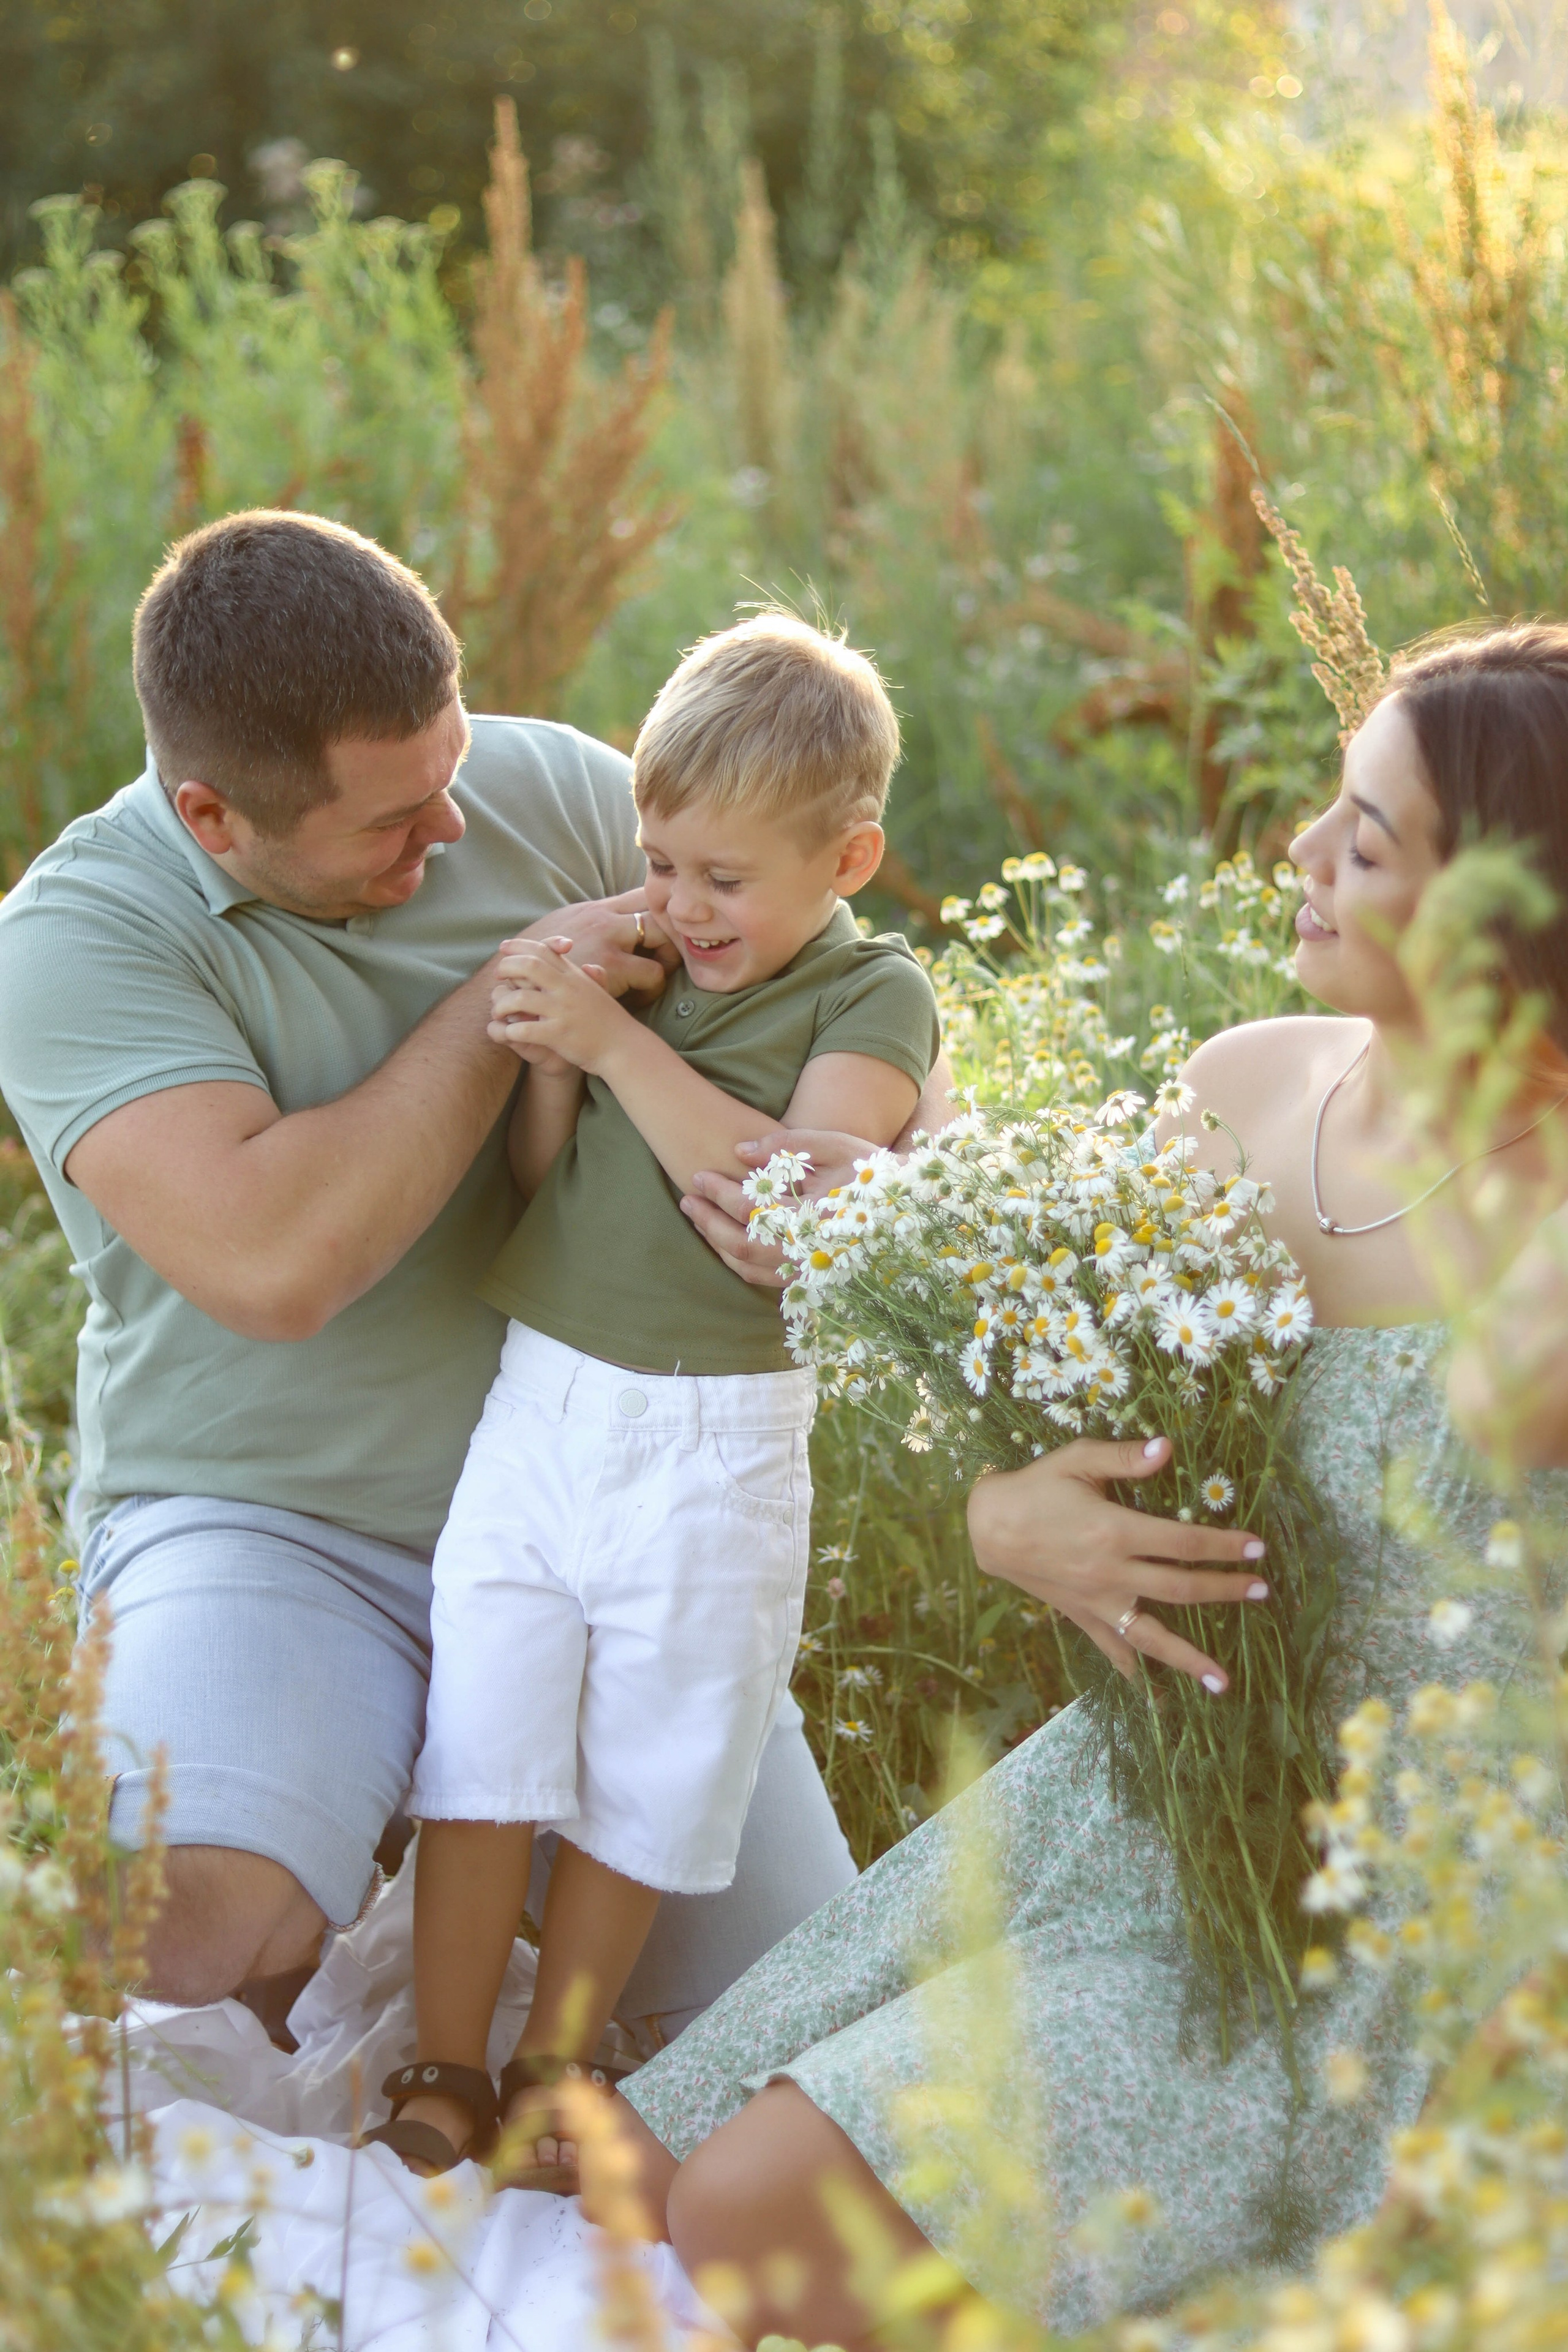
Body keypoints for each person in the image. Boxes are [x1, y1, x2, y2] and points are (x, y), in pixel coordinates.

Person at [598, 624, 1568, 2346]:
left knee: (762, 2224)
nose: (1299, 857)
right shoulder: (1248, 1089)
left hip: (1444, 1914)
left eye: (1368, 841)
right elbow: (1069, 1412)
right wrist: (1008, 1523)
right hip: (1167, 1812)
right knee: (675, 2185)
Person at [0, 510, 950, 2030]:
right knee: (177, 1950)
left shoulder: (552, 793)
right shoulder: (78, 937)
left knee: (802, 2041)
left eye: (450, 771)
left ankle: (459, 1930)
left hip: (610, 1511)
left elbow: (830, 989)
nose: (453, 831)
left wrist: (890, 1158)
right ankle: (340, 1839)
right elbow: (274, 1263)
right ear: (213, 814)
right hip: (283, 1528)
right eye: (393, 824)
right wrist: (511, 998)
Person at [374, 616, 941, 2183]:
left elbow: (779, 1222)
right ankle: (444, 2053)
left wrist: (610, 1042)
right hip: (541, 1407)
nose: (682, 908)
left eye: (724, 877)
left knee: (650, 1766)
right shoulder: (654, 978)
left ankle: (557, 2071)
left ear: (849, 858)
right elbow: (558, 1194)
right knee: (479, 1734)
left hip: (715, 1441)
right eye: (661, 861)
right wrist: (559, 1059)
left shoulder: (869, 1003)